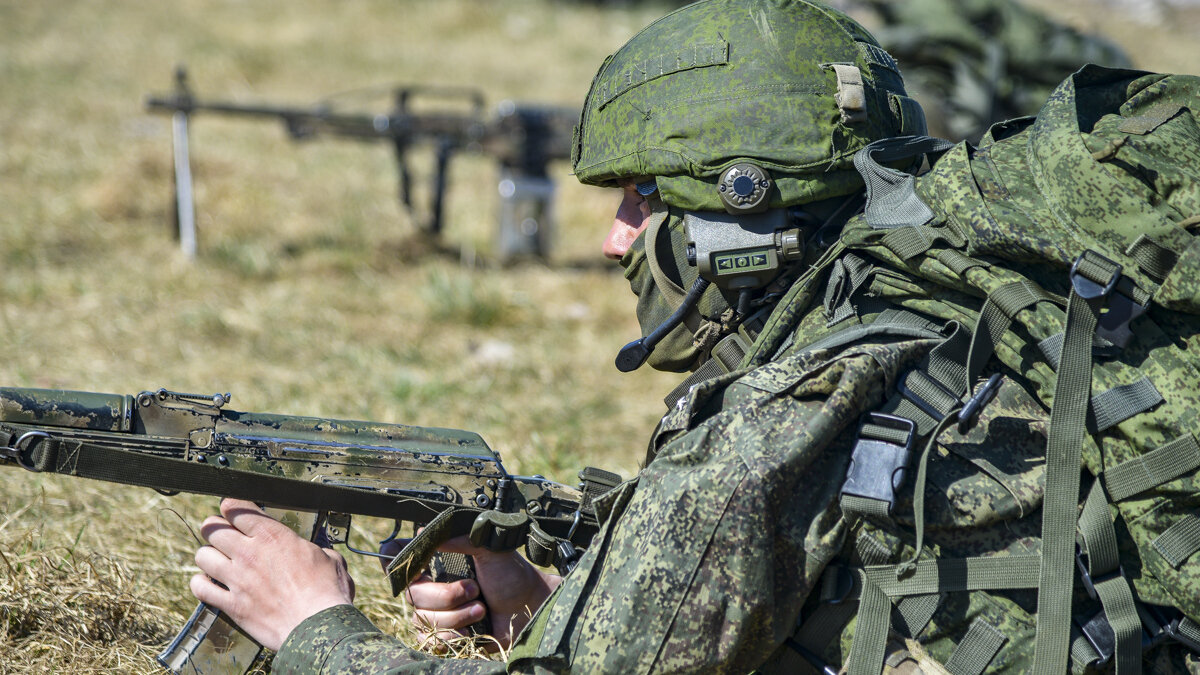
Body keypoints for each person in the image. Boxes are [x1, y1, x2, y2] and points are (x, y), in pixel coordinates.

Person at [191, 0, 1200, 672]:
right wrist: (563, 601)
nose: (613, 238)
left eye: (641, 198)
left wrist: (312, 624)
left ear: (741, 208)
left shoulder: (786, 410)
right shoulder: (971, 297)